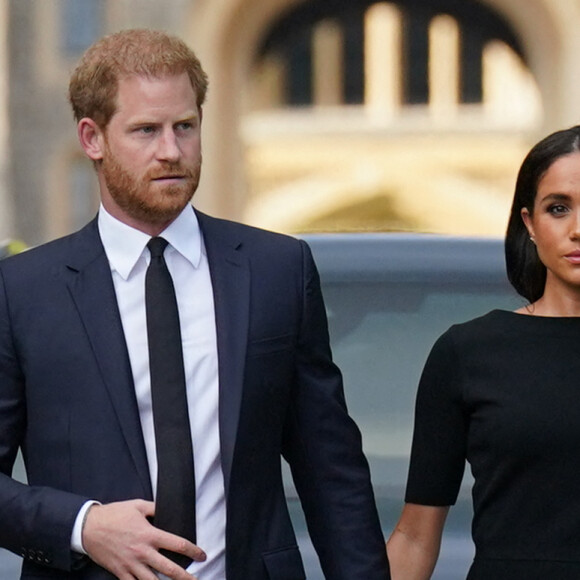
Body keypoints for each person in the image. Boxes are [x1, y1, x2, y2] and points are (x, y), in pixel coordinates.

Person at [0, 29, 390, 580]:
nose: (171, 151)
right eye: (145, 131)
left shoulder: (276, 270)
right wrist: (82, 525)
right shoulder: (22, 291)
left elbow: (332, 470)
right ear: (92, 138)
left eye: (186, 126)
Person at [386, 124, 580, 579]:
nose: (578, 229)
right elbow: (416, 535)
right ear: (529, 223)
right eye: (558, 208)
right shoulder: (469, 353)